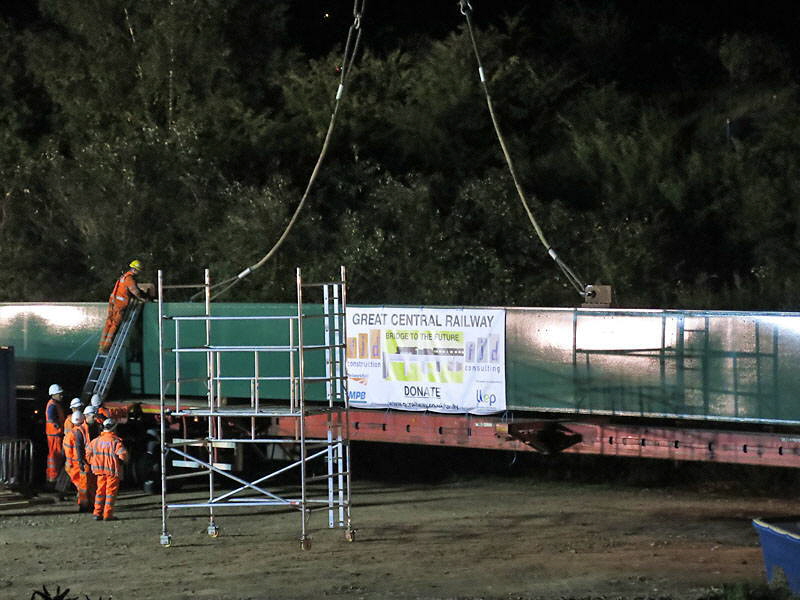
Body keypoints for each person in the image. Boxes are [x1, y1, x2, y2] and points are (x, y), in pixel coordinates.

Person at [99, 259, 149, 353]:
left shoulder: (123, 276)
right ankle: (106, 347)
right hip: (119, 304)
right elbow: (136, 292)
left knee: (109, 322)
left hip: (113, 301)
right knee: (115, 324)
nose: (138, 273)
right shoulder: (130, 279)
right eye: (138, 271)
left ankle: (102, 345)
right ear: (135, 269)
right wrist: (144, 298)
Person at [85, 418, 128, 521]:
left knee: (100, 492)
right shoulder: (116, 442)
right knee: (110, 493)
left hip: (100, 471)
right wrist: (120, 463)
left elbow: (87, 454)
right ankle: (108, 515)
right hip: (112, 471)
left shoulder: (95, 441)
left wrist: (93, 463)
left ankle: (97, 513)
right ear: (113, 429)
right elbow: (123, 455)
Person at [62, 412, 90, 512]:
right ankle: (84, 504)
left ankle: (84, 503)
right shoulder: (83, 431)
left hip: (74, 463)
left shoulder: (71, 434)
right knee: (83, 485)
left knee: (81, 485)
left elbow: (68, 450)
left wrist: (68, 462)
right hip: (78, 463)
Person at [44, 383, 66, 486]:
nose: (61, 396)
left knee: (55, 457)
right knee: (55, 457)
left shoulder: (54, 404)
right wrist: (59, 427)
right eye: (59, 394)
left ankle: (52, 479)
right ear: (53, 394)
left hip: (55, 435)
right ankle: (52, 480)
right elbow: (52, 419)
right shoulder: (52, 405)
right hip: (54, 435)